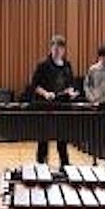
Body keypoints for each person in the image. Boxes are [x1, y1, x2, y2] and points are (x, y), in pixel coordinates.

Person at [30, 34, 78, 167]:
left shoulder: (67, 65)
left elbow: (71, 84)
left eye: (60, 48)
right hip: (46, 106)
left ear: (63, 50)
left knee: (62, 140)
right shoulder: (43, 65)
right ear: (51, 48)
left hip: (63, 107)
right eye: (55, 47)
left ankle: (65, 166)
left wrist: (71, 92)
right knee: (43, 139)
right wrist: (45, 94)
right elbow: (34, 85)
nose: (57, 50)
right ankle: (41, 167)